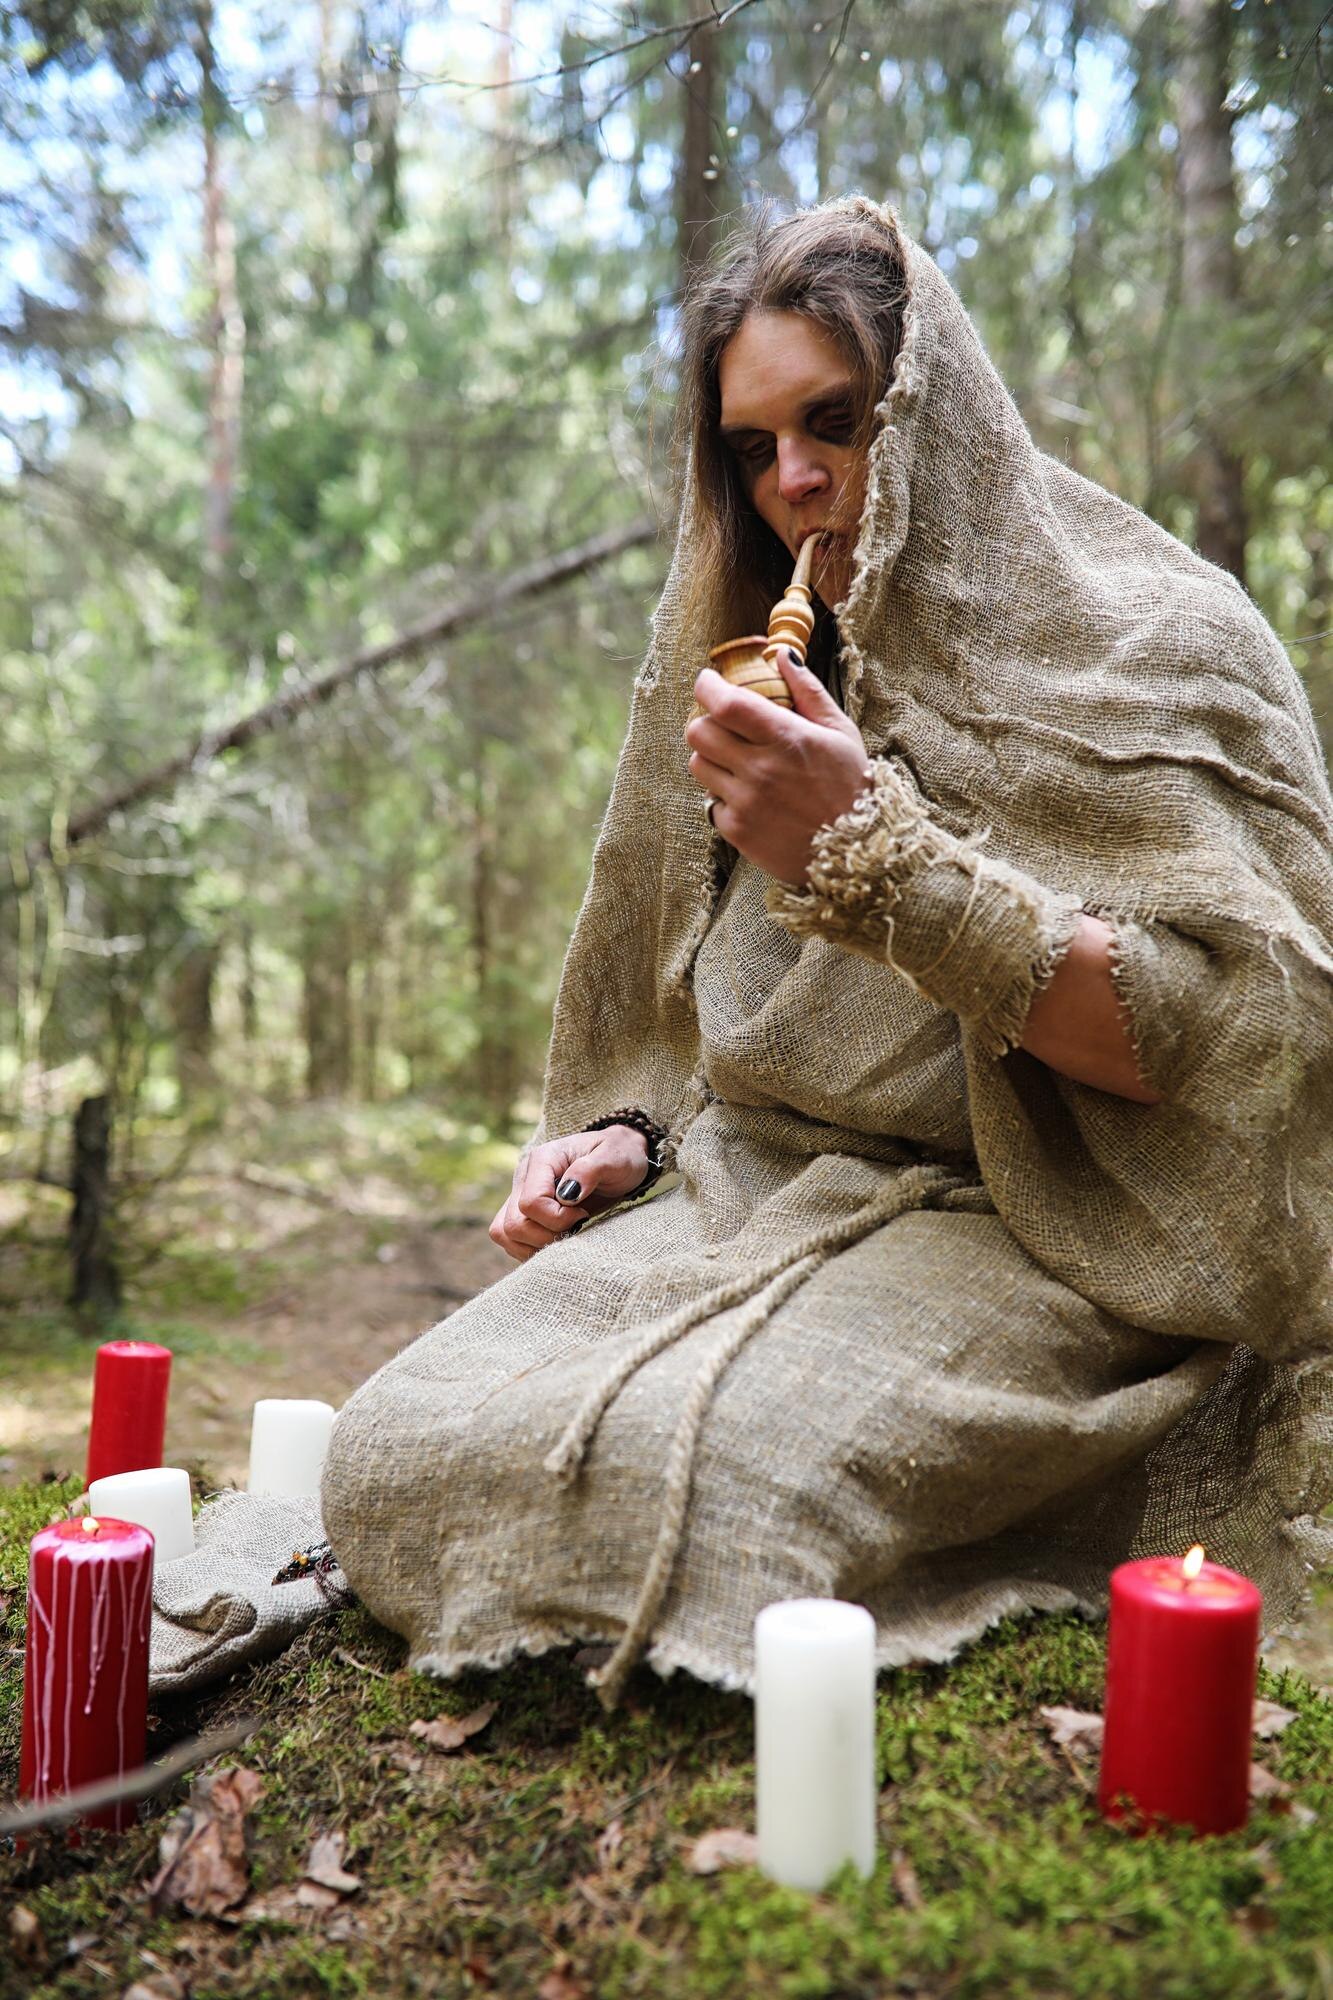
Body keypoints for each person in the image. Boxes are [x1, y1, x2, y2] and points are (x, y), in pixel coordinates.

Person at [322, 196, 1333, 1712]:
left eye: (835, 422)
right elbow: (697, 1017)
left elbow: (1219, 1055)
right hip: (751, 1190)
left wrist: (869, 850)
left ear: (936, 419)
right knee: (394, 1451)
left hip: (1057, 1239)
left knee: (667, 1495)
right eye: (749, 447)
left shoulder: (1153, 645)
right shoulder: (777, 665)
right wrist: (618, 1135)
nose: (794, 483)